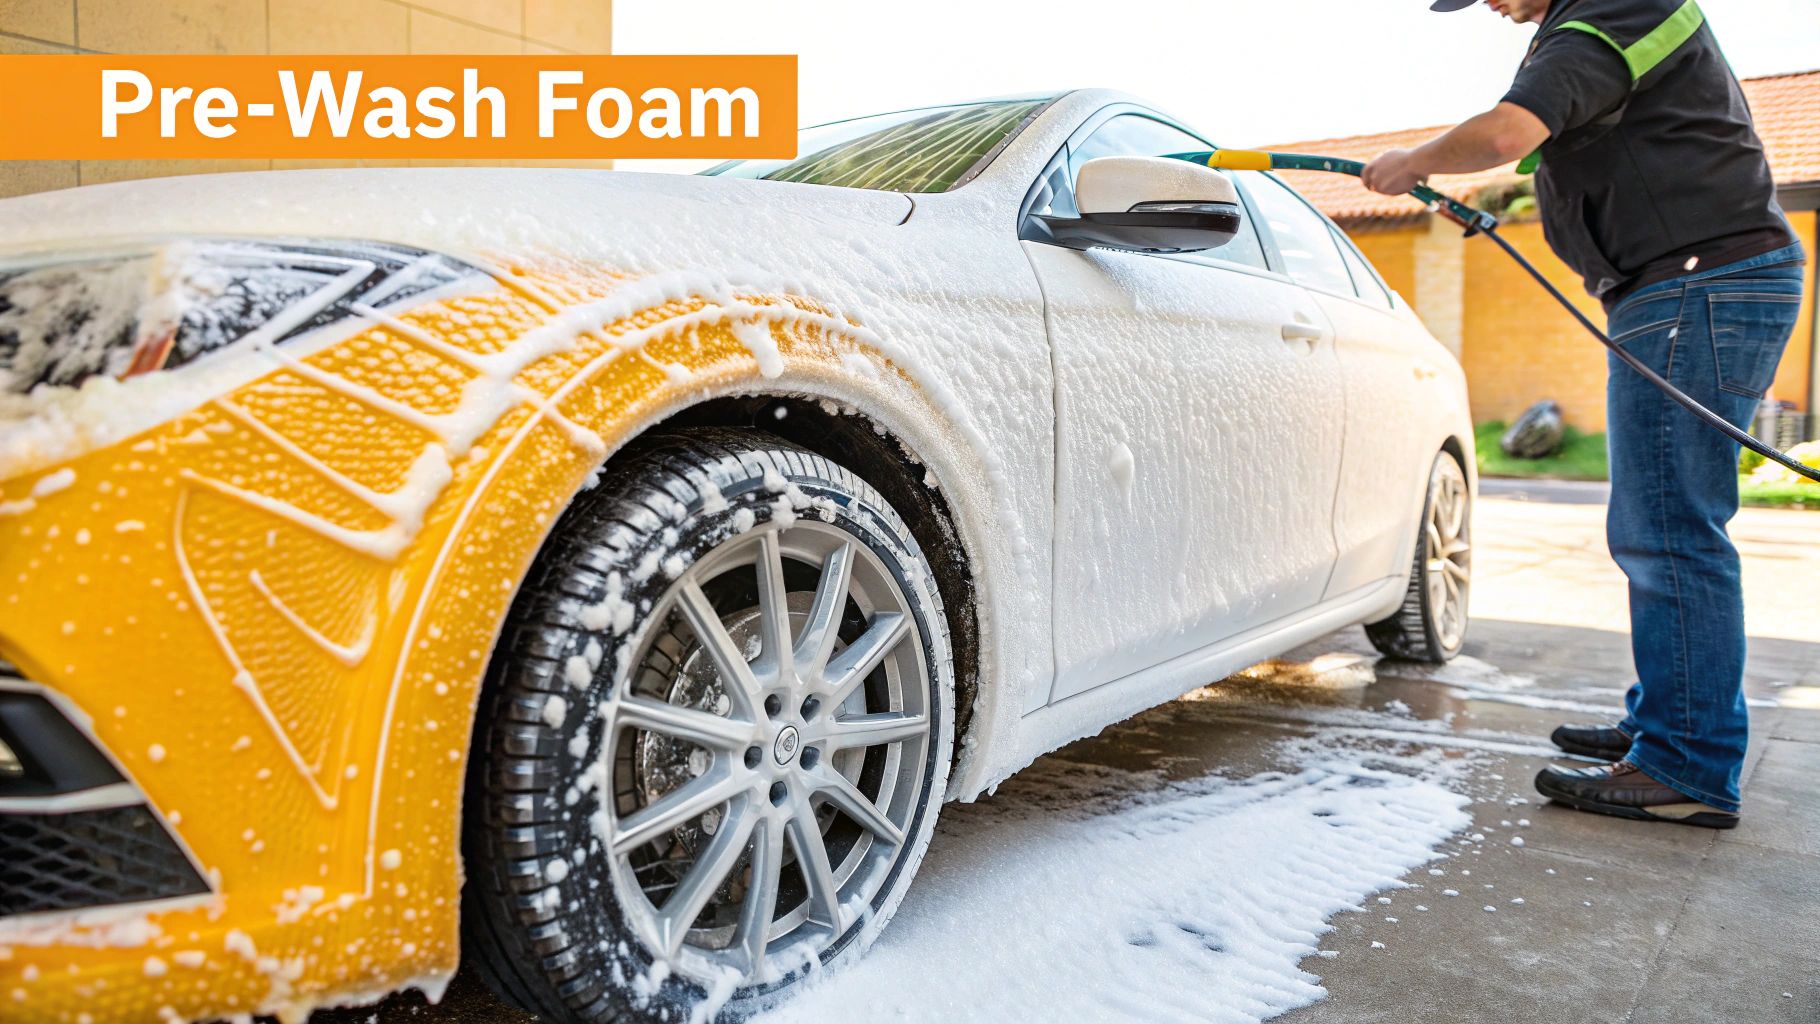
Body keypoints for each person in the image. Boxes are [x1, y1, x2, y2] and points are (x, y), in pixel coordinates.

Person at [1362, 0, 1806, 829]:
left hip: (1696, 284)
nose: (1486, 5)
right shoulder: (1600, 19)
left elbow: (1505, 134)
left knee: (1669, 528)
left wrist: (1411, 161)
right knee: (1657, 522)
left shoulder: (1612, 6)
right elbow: (1581, 146)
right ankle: (1665, 725)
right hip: (1688, 283)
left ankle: (1688, 764)